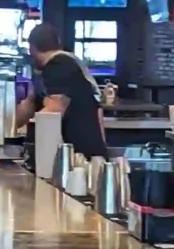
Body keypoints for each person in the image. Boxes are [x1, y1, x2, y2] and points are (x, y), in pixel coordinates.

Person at [13, 22, 107, 159]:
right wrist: (3, 127)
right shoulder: (55, 69)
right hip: (87, 153)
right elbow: (29, 104)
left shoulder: (59, 66)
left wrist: (30, 140)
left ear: (32, 47)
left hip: (77, 155)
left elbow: (54, 110)